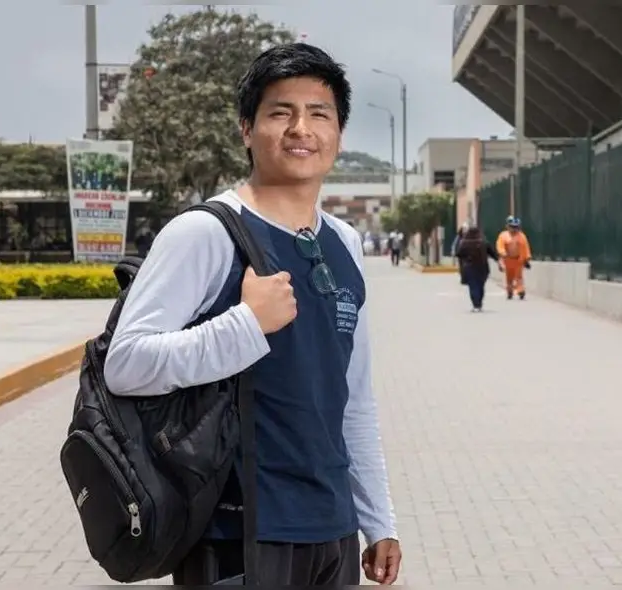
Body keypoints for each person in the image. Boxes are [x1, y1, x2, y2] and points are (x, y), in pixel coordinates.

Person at [103, 43, 400, 586]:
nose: (301, 129)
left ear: (338, 133)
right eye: (281, 112)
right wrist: (244, 324)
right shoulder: (205, 232)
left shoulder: (345, 243)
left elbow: (353, 398)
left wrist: (378, 519)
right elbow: (125, 364)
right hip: (237, 533)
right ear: (246, 129)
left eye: (319, 114)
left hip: (332, 531)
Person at [455, 226, 499, 311]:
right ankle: (479, 303)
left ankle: (476, 305)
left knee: (473, 286)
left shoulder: (464, 243)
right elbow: (492, 253)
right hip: (482, 268)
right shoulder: (483, 242)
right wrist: (498, 260)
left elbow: (459, 254)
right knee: (480, 286)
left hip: (470, 268)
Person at [495, 215, 532, 300]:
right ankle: (510, 291)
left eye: (516, 227)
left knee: (519, 276)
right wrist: (502, 253)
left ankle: (521, 291)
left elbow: (525, 247)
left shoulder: (521, 236)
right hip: (508, 259)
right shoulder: (503, 236)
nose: (514, 229)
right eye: (512, 227)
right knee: (509, 277)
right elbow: (500, 245)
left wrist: (526, 258)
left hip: (518, 260)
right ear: (507, 226)